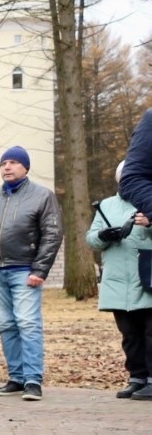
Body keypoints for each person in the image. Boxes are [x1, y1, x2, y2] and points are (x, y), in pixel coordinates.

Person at [0, 147, 61, 401]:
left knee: (28, 323)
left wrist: (40, 269)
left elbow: (52, 234)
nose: (7, 167)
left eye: (13, 163)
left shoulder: (43, 196)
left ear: (26, 168)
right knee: (7, 325)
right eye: (4, 163)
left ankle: (33, 379)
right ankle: (16, 377)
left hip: (25, 270)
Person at [88, 161, 152, 399]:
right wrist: (104, 235)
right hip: (117, 279)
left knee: (150, 332)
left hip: (147, 276)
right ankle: (137, 377)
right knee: (129, 333)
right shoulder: (106, 205)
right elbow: (91, 238)